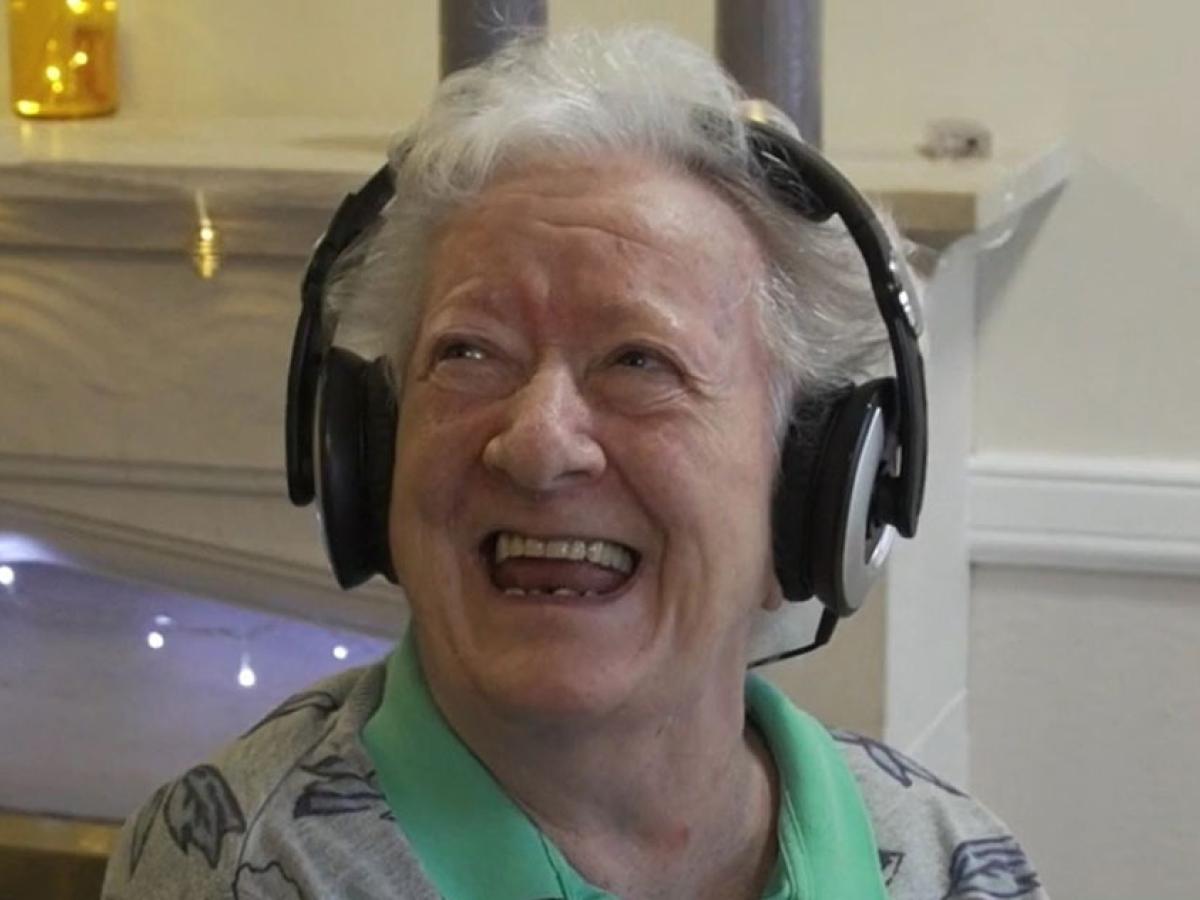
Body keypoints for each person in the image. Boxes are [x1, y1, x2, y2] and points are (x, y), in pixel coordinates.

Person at [103, 27, 1046, 900]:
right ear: (372, 450)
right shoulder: (242, 867)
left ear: (815, 490)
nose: (538, 442)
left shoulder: (948, 863)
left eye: (642, 362)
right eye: (468, 354)